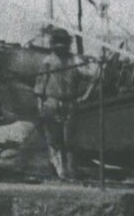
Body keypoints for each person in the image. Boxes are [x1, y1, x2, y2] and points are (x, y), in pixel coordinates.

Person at [34, 27, 91, 180]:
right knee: (54, 139)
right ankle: (59, 171)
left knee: (70, 140)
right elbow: (40, 85)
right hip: (51, 103)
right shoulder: (47, 61)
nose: (60, 45)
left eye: (63, 42)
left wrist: (85, 95)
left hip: (70, 104)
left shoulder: (75, 60)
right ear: (53, 43)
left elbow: (89, 76)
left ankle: (71, 171)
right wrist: (40, 105)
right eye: (57, 42)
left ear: (68, 43)